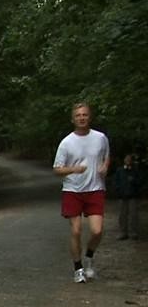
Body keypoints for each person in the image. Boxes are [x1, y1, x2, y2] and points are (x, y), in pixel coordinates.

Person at [53, 101, 111, 283]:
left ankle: (89, 258)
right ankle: (78, 269)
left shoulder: (101, 137)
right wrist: (73, 169)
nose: (82, 118)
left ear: (89, 117)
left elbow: (107, 156)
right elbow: (57, 169)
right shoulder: (66, 143)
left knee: (97, 231)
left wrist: (105, 166)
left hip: (95, 189)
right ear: (73, 119)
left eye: (84, 115)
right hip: (73, 190)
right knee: (76, 231)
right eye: (78, 115)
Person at [111, 153, 142, 240]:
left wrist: (134, 181)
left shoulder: (135, 171)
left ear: (131, 161)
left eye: (129, 159)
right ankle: (123, 232)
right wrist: (118, 191)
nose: (128, 161)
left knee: (133, 215)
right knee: (122, 215)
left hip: (133, 196)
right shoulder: (119, 170)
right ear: (124, 160)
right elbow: (115, 182)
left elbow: (140, 182)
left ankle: (133, 232)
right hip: (122, 196)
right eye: (126, 159)